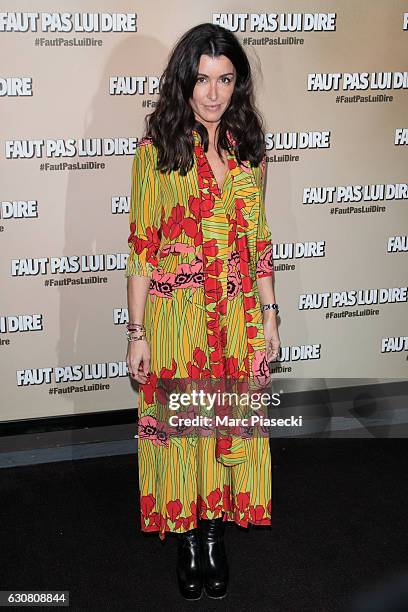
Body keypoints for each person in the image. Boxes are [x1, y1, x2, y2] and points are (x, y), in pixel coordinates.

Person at [125, 22, 281, 601]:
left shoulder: (249, 151)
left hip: (236, 315)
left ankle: (215, 534)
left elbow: (259, 240)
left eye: (225, 80)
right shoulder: (156, 152)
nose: (212, 93)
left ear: (237, 84)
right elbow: (142, 244)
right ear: (183, 83)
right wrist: (137, 332)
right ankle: (190, 539)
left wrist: (269, 314)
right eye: (201, 80)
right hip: (177, 318)